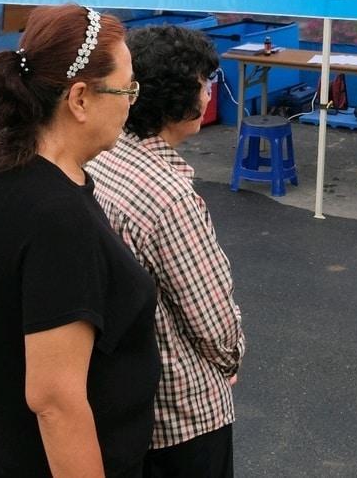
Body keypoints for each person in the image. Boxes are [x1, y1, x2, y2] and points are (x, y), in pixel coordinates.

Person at [0, 4, 160, 478]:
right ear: (80, 98)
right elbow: (54, 401)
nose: (131, 101)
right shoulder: (55, 216)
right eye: (126, 88)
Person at [87, 24, 245, 478]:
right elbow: (212, 319)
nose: (209, 92)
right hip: (183, 412)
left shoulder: (103, 156)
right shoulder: (168, 196)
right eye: (204, 82)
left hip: (126, 399)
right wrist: (230, 359)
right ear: (181, 96)